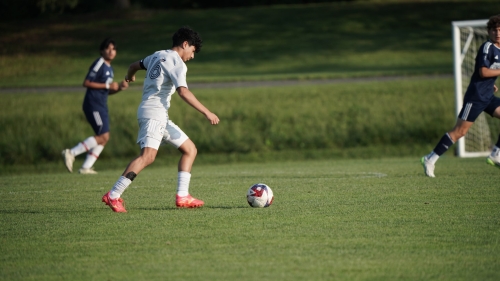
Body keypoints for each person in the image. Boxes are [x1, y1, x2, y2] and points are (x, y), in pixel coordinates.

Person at [102, 27, 219, 212]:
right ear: (185, 44)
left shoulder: (156, 55)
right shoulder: (178, 63)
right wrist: (207, 112)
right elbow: (183, 91)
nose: (192, 56)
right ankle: (114, 195)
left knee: (190, 149)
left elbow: (134, 65)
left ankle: (183, 196)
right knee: (147, 157)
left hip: (156, 115)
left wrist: (128, 77)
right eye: (193, 51)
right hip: (154, 114)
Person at [421, 14, 500, 177]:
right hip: (476, 97)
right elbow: (483, 71)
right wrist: (488, 80)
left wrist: (490, 83)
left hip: (487, 96)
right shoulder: (487, 47)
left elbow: (488, 73)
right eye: (494, 30)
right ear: (489, 32)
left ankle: (496, 153)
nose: (497, 33)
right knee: (460, 132)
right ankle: (430, 158)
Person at [62, 38, 129, 174]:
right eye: (108, 48)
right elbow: (86, 82)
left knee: (105, 137)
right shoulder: (99, 63)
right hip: (93, 104)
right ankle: (71, 153)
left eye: (113, 49)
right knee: (103, 136)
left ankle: (86, 167)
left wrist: (119, 88)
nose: (111, 51)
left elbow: (106, 91)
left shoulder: (110, 69)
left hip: (101, 105)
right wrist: (107, 85)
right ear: (102, 51)